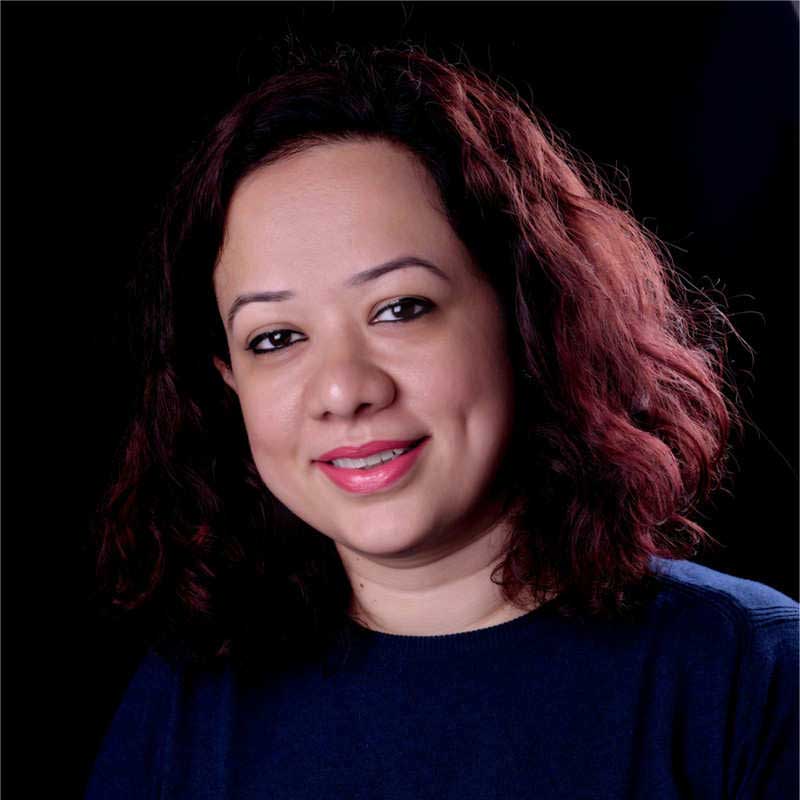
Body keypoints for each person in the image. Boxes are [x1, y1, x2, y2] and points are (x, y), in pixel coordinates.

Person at [86, 43, 798, 799]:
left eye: (400, 308)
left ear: (528, 313)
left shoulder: (750, 677)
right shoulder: (186, 700)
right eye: (276, 338)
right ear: (228, 378)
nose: (343, 390)